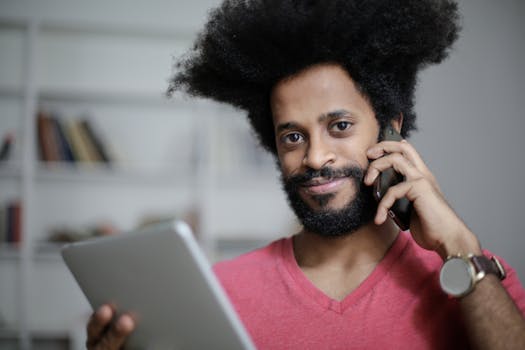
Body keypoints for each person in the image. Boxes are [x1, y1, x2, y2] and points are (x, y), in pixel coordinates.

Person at [86, 0, 525, 349]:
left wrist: (463, 251)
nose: (315, 157)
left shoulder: (475, 277)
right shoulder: (220, 294)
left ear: (391, 128)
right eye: (293, 137)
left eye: (339, 126)